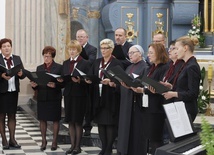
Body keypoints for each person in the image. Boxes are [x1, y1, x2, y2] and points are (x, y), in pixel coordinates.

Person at [86, 39, 123, 155]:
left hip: (111, 97)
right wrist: (88, 80)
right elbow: (92, 75)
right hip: (98, 96)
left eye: (106, 48)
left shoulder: (116, 63)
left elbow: (121, 80)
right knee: (101, 124)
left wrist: (112, 82)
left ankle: (108, 148)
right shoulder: (97, 62)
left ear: (111, 50)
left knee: (110, 124)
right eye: (102, 48)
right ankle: (103, 147)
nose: (103, 50)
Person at [131, 43, 169, 154]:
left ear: (159, 53)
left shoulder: (164, 67)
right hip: (148, 106)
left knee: (155, 137)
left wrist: (142, 90)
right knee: (149, 136)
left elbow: (159, 87)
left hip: (157, 107)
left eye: (151, 53)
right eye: (148, 53)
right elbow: (146, 82)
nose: (148, 55)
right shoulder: (151, 67)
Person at [117, 45, 148, 155]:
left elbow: (145, 85)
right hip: (126, 102)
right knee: (125, 130)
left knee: (135, 132)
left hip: (136, 104)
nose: (129, 55)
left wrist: (133, 85)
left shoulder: (145, 67)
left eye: (132, 53)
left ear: (140, 53)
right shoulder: (129, 67)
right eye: (129, 53)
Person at [60, 40, 91, 155]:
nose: (71, 51)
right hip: (68, 95)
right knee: (70, 121)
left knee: (78, 121)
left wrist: (80, 81)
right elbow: (64, 78)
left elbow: (88, 80)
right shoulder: (65, 63)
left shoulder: (85, 63)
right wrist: (60, 81)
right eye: (70, 49)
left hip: (80, 95)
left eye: (74, 49)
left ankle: (78, 147)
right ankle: (72, 146)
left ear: (78, 50)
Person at [30, 46, 63, 151]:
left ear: (52, 57)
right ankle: (43, 141)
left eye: (48, 56)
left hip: (54, 96)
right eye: (45, 56)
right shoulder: (39, 68)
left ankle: (54, 141)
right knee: (42, 119)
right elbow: (37, 83)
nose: (46, 58)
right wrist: (34, 85)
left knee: (55, 119)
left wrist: (56, 85)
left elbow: (62, 83)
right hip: (42, 96)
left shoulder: (59, 67)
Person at [162, 36, 201, 122]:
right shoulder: (185, 64)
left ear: (185, 48)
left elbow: (193, 93)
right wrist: (171, 87)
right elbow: (183, 87)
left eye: (177, 48)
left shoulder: (192, 66)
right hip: (180, 107)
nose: (175, 51)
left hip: (187, 109)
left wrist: (173, 94)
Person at [0, 38, 25, 150]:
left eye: (8, 46)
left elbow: (23, 74)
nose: (6, 48)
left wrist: (20, 74)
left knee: (12, 115)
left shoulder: (17, 58)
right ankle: (4, 140)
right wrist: (1, 76)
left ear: (11, 47)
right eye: (4, 46)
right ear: (1, 48)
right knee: (1, 116)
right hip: (1, 92)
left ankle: (12, 139)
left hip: (13, 91)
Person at [76, 29, 97, 136]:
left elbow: (90, 63)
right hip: (77, 79)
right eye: (78, 37)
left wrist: (79, 57)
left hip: (87, 80)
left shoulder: (92, 49)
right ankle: (78, 124)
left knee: (88, 105)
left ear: (87, 37)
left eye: (82, 37)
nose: (79, 39)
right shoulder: (75, 49)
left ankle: (87, 126)